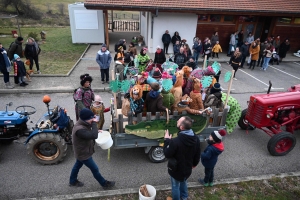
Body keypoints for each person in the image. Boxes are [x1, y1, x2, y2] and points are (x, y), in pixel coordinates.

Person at [69, 108, 115, 189]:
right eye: (91, 118)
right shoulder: (79, 130)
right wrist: (94, 123)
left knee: (77, 166)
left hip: (80, 151)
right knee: (95, 169)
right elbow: (93, 136)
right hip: (83, 153)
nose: (93, 119)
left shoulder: (82, 123)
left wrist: (96, 130)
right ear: (86, 119)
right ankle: (104, 184)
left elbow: (89, 132)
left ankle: (72, 181)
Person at [163, 116, 201, 200]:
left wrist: (167, 141)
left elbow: (167, 154)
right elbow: (198, 153)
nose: (177, 121)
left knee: (175, 185)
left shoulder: (176, 141)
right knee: (183, 182)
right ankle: (184, 197)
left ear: (181, 127)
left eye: (178, 122)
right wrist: (195, 163)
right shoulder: (196, 138)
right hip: (187, 169)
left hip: (176, 170)